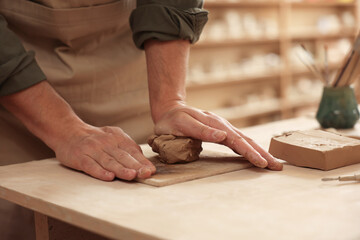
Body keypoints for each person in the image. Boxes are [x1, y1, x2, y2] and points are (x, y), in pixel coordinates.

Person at [0, 0, 283, 239]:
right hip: (15, 100)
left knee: (142, 217)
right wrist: (64, 129)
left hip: (128, 70)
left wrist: (170, 102)